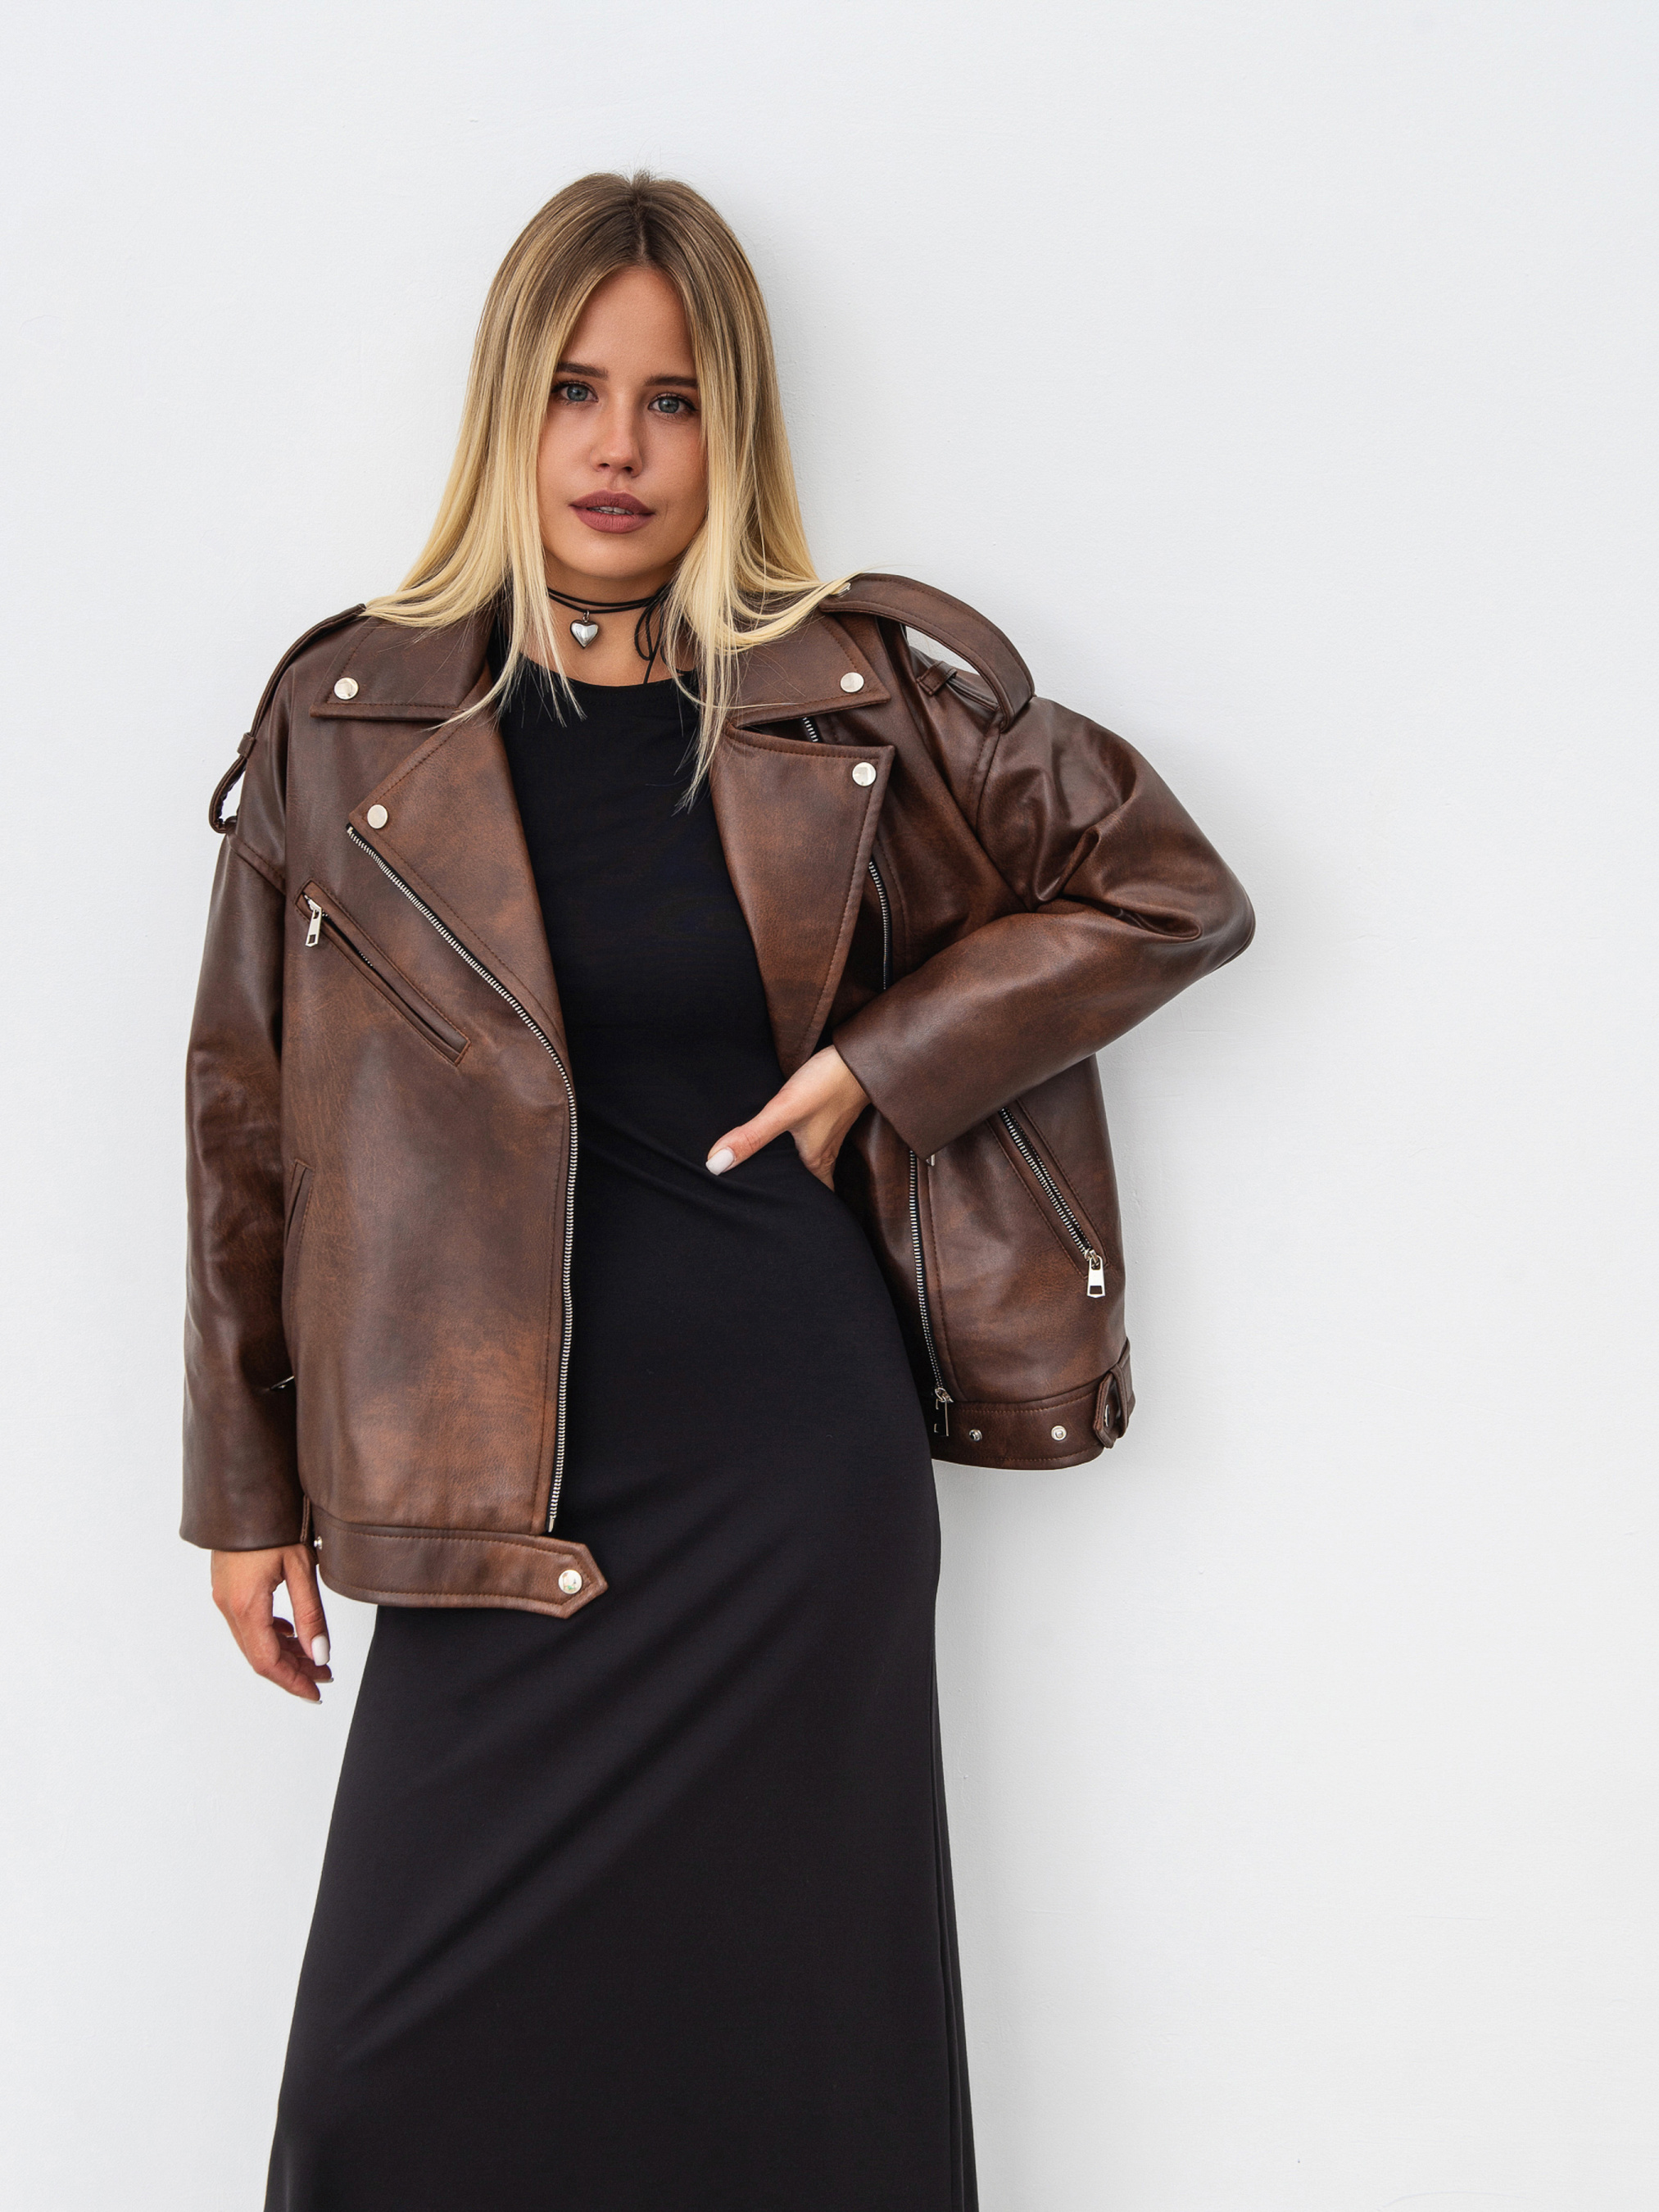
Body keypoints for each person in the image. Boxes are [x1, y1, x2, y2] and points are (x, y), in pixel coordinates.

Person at [183, 169, 1253, 2212]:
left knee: (793, 2065)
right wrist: (244, 1491)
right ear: (506, 406)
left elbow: (1165, 889)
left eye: (671, 400)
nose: (618, 446)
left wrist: (880, 1061)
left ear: (731, 426)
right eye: (574, 390)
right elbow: (243, 1114)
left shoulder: (850, 695)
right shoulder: (349, 711)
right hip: (479, 1482)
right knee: (383, 2103)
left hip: (781, 1470)